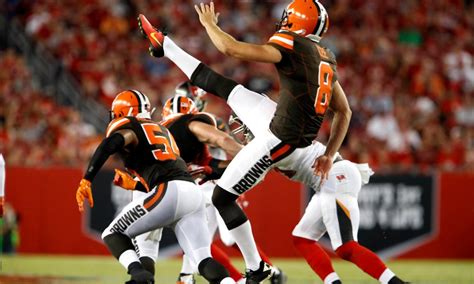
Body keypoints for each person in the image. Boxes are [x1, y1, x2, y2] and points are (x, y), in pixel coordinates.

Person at [137, 8, 407, 283]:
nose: (283, 21)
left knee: (221, 198)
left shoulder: (293, 43)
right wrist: (327, 153)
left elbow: (230, 48)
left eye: (289, 16)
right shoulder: (325, 56)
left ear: (297, 21)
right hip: (287, 133)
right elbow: (344, 111)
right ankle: (165, 45)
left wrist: (208, 25)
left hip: (281, 140)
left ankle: (257, 267)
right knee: (224, 87)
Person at [116, 90, 285, 284]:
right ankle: (226, 276)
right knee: (202, 247)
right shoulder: (192, 126)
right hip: (189, 189)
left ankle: (186, 276)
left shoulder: (154, 131)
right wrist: (253, 160)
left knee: (135, 241)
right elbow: (219, 144)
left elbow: (205, 163)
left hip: (166, 188)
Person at [75, 90, 235, 284]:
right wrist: (133, 183)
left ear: (121, 112)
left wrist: (88, 178)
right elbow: (162, 170)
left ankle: (138, 275)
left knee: (112, 233)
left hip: (169, 190)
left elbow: (111, 143)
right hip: (192, 193)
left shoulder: (130, 126)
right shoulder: (163, 131)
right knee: (203, 261)